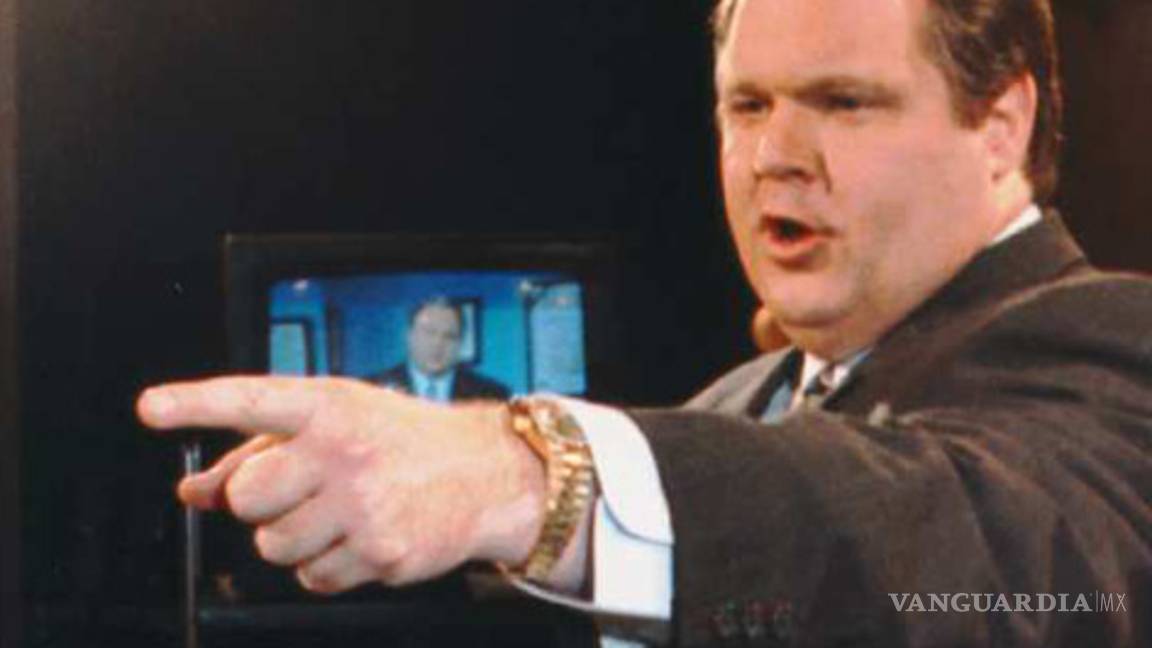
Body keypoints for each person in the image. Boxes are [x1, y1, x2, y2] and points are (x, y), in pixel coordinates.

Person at [137, 0, 1152, 645]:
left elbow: (995, 574)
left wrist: (521, 474)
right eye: (747, 107)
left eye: (844, 102)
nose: (774, 157)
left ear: (1000, 125)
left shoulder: (1118, 344)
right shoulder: (732, 403)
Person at [368, 297, 510, 402]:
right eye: (429, 333)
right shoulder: (371, 390)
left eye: (449, 336)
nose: (438, 344)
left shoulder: (492, 395)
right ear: (409, 336)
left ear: (460, 344)